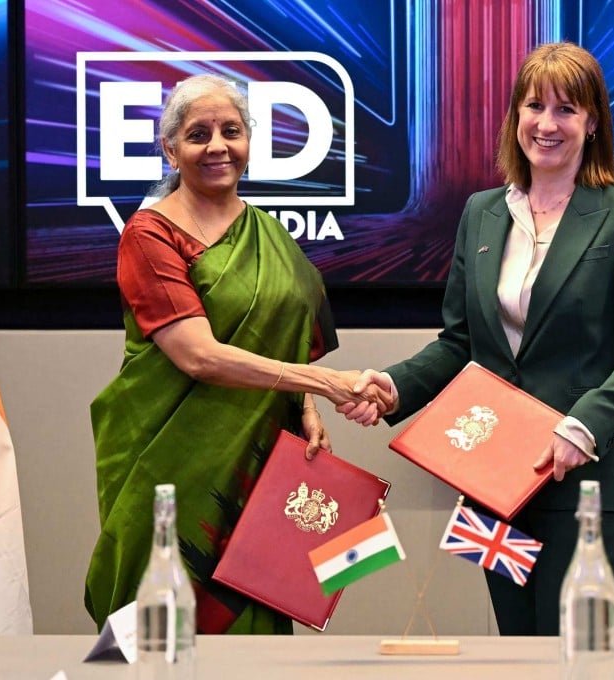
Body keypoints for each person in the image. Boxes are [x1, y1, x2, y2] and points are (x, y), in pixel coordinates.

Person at [339, 42, 614, 635]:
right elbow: (460, 342)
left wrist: (582, 426)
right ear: (515, 116)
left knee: (574, 653)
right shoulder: (482, 213)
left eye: (567, 110)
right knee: (515, 648)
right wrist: (393, 387)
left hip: (587, 479)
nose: (547, 124)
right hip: (491, 483)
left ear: (593, 122)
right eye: (534, 106)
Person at [84, 74, 387, 634]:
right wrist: (327, 385)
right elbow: (198, 356)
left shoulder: (270, 234)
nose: (217, 145)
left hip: (261, 461)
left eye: (232, 130)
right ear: (170, 150)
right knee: (162, 621)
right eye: (198, 134)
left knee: (255, 606)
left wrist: (306, 408)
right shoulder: (149, 236)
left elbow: (289, 338)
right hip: (170, 457)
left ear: (250, 141)